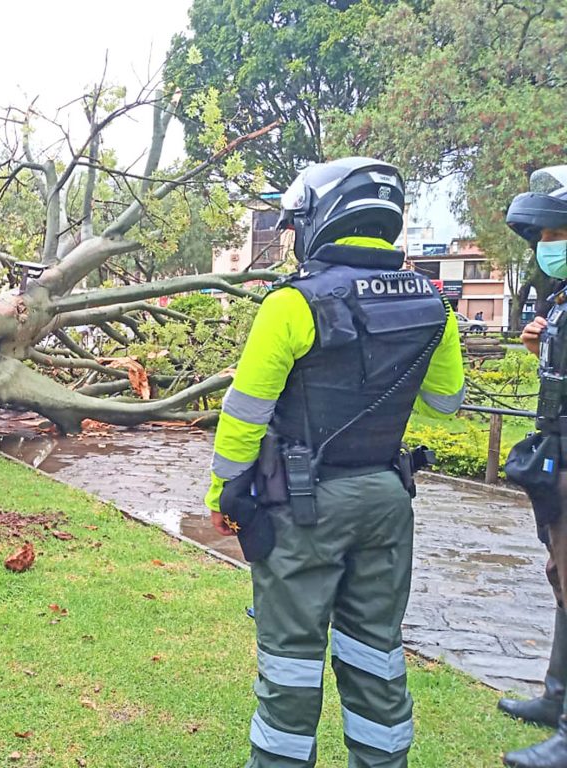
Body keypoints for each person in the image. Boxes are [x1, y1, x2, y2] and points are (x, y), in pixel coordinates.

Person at [206, 157, 465, 768]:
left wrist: (222, 494)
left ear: (320, 218)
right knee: (376, 652)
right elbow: (446, 401)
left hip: (304, 507)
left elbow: (244, 413)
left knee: (291, 662)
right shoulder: (434, 303)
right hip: (387, 499)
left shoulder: (291, 304)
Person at [499, 165, 567, 768]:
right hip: (556, 452)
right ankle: (556, 698)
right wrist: (538, 344)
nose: (547, 246)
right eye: (542, 237)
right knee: (559, 574)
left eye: (555, 234)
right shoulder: (563, 300)